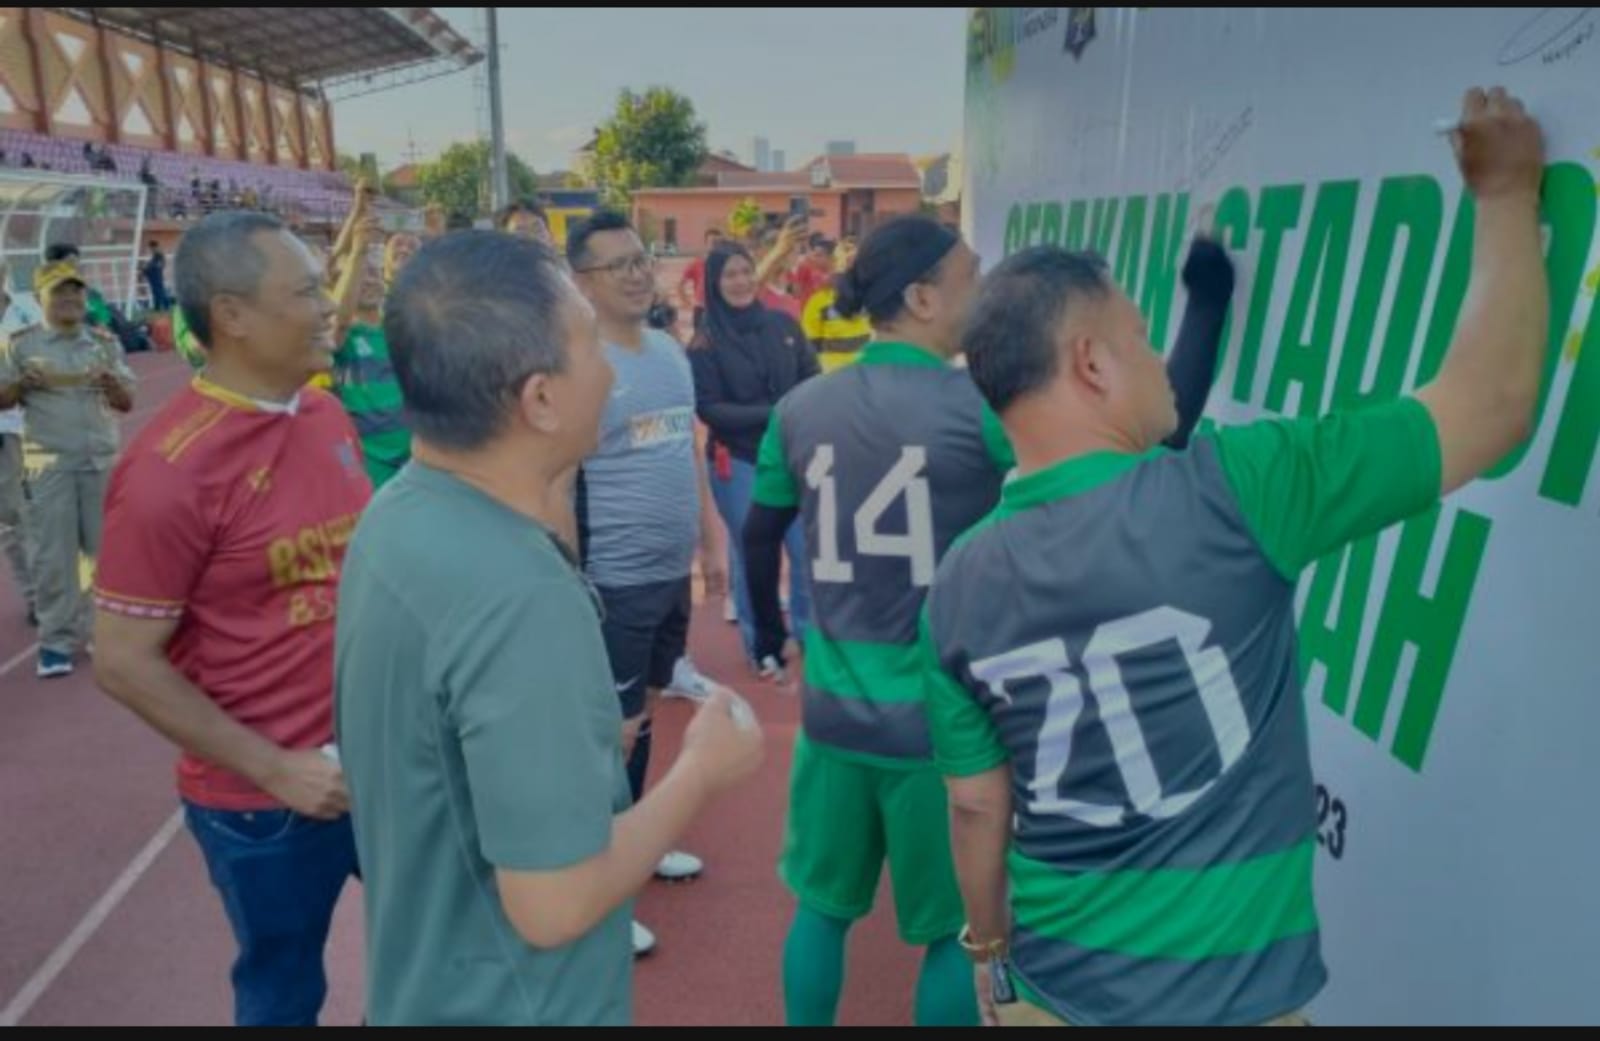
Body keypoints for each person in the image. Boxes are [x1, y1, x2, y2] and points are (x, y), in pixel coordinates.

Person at [921, 87, 1547, 1028]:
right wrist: (1505, 196)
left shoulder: (956, 584)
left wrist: (987, 944)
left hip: (1053, 992)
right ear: (1091, 363)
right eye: (1142, 338)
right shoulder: (1235, 487)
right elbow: (1491, 404)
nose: (1158, 360)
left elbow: (977, 804)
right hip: (1230, 1006)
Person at [744, 214, 1233, 1026]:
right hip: (939, 726)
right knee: (954, 934)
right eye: (971, 277)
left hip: (829, 716)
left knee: (821, 910)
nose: (984, 290)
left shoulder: (800, 406)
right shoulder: (974, 406)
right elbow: (1150, 443)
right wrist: (1207, 301)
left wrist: (769, 637)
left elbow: (761, 533)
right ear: (922, 297)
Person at [335, 230, 764, 1025]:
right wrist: (702, 770)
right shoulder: (519, 594)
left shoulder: (397, 513)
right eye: (591, 347)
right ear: (539, 399)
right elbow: (555, 901)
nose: (611, 371)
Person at [91, 212, 369, 1026]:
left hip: (377, 766)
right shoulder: (168, 472)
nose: (329, 305)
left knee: (437, 953)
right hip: (264, 804)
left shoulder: (324, 415)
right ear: (233, 315)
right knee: (283, 992)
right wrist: (277, 767)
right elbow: (123, 660)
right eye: (307, 290)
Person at [568, 211, 729, 957]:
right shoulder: (579, 363)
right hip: (614, 577)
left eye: (641, 260)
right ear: (582, 282)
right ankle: (604, 885)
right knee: (616, 726)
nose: (637, 274)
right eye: (617, 265)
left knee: (651, 705)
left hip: (670, 572)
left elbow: (685, 452)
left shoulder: (668, 350)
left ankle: (638, 837)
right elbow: (562, 474)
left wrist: (710, 538)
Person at [0, 260, 135, 678]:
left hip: (99, 463)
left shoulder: (104, 343)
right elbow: (2, 398)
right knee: (54, 556)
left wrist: (112, 383)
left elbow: (126, 401)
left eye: (76, 290)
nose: (70, 299)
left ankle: (101, 635)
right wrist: (21, 383)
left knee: (104, 556)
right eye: (59, 291)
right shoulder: (19, 345)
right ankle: (56, 642)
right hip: (49, 466)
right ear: (39, 297)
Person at [690, 244, 818, 671]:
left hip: (791, 456)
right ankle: (763, 644)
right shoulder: (704, 342)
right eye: (730, 275)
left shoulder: (782, 325)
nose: (741, 281)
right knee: (754, 555)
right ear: (714, 283)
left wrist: (795, 413)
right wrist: (776, 413)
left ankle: (806, 636)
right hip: (739, 460)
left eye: (746, 271)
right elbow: (709, 409)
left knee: (804, 550)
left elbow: (811, 376)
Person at [329, 217, 413, 488]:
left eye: (374, 274)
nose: (369, 281)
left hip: (415, 456)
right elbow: (338, 321)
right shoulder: (342, 336)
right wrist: (358, 252)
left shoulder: (402, 326)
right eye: (359, 276)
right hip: (365, 459)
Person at [0, 262, 39, 625]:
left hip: (38, 427)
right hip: (3, 432)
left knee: (46, 513)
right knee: (11, 519)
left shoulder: (28, 310)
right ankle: (35, 596)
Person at [678, 227, 726, 333]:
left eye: (719, 242)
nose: (716, 245)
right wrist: (687, 302)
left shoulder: (726, 265)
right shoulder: (697, 264)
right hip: (702, 310)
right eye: (713, 242)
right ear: (706, 243)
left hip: (720, 309)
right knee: (700, 339)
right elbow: (681, 284)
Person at [144, 241, 172, 312]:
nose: (151, 250)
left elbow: (159, 265)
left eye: (151, 248)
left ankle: (166, 306)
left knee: (160, 291)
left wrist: (148, 267)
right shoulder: (155, 255)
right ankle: (158, 307)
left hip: (156, 276)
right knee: (156, 291)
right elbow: (157, 264)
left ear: (154, 247)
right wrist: (146, 269)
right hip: (154, 276)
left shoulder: (159, 255)